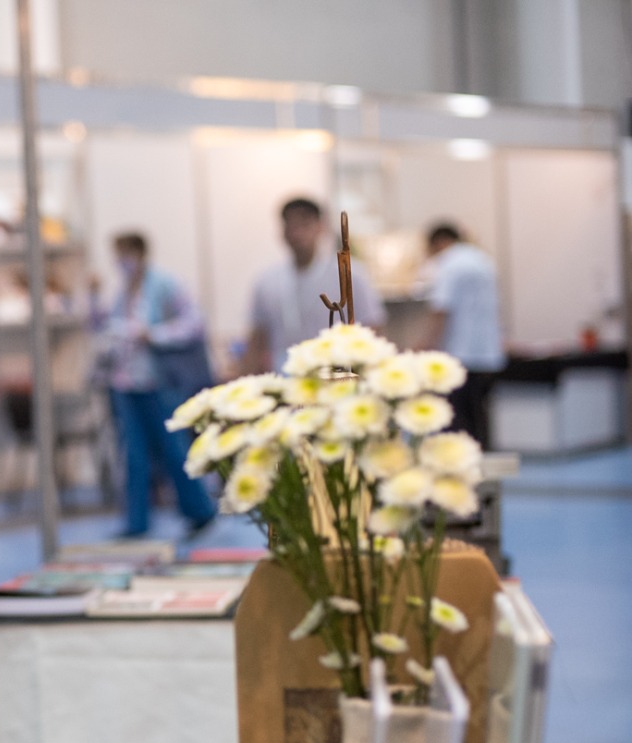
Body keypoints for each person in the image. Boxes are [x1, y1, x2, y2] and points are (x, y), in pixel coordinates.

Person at [90, 233, 217, 539]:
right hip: (125, 384)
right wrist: (92, 298)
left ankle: (200, 510)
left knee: (174, 449)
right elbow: (101, 326)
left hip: (158, 382)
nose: (121, 261)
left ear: (140, 252)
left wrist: (155, 334)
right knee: (133, 455)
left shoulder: (165, 284)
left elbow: (194, 323)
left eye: (125, 253)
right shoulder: (122, 292)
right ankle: (137, 522)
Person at [244, 197, 386, 374]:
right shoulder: (267, 281)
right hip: (287, 374)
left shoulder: (349, 274)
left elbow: (372, 327)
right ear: (283, 232)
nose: (298, 233)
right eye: (291, 225)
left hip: (339, 374)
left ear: (320, 227)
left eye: (305, 224)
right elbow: (258, 338)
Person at [419, 222, 504, 446]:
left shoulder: (449, 265)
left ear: (439, 243)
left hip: (459, 354)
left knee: (457, 422)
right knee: (480, 418)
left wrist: (425, 344)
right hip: (487, 353)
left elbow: (441, 310)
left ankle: (460, 472)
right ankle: (484, 469)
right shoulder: (482, 260)